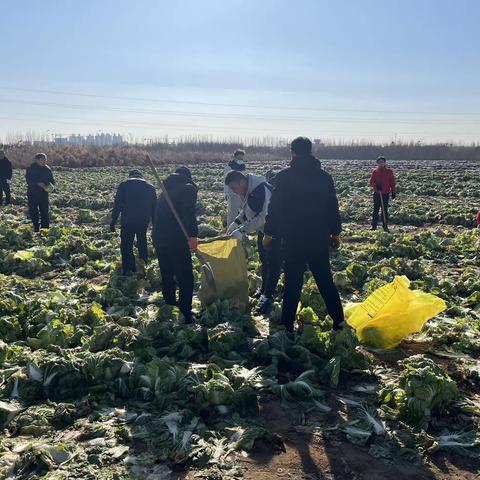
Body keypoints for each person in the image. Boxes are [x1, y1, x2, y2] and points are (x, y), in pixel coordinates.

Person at [263, 136, 344, 333]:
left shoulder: (284, 177)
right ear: (311, 152)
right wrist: (335, 232)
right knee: (325, 280)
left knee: (293, 282)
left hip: (293, 237)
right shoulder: (324, 177)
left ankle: (287, 324)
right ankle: (339, 322)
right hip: (318, 236)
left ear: (292, 152)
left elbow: (275, 208)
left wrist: (269, 232)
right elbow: (332, 206)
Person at [225, 170, 282, 315]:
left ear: (242, 182)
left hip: (276, 231)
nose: (234, 192)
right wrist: (235, 224)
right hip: (263, 231)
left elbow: (263, 217)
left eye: (234, 188)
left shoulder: (261, 189)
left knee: (273, 264)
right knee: (264, 261)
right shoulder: (248, 190)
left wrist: (242, 231)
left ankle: (267, 298)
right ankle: (263, 290)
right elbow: (247, 211)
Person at [152, 166, 198, 323]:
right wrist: (193, 235)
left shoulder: (164, 191)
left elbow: (156, 215)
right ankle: (185, 312)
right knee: (185, 277)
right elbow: (188, 212)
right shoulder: (188, 188)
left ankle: (170, 306)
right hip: (176, 240)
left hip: (159, 238)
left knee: (167, 275)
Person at [110, 169, 157, 276]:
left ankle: (128, 269)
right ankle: (143, 266)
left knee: (126, 244)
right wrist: (155, 225)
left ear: (130, 176)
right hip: (143, 220)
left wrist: (113, 220)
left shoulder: (124, 185)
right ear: (141, 176)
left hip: (128, 220)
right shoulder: (150, 187)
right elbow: (155, 208)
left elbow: (118, 204)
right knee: (142, 241)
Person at [25, 153, 55, 232]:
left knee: (44, 211)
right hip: (32, 193)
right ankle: (36, 227)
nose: (44, 161)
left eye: (45, 159)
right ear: (37, 160)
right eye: (42, 159)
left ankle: (45, 229)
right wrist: (37, 183)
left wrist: (50, 186)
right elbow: (28, 181)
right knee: (33, 211)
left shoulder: (47, 169)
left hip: (43, 194)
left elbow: (52, 180)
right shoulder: (31, 168)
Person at [370, 156, 396, 231]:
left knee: (384, 209)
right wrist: (376, 186)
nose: (381, 163)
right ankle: (374, 225)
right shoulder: (375, 171)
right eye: (379, 162)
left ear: (385, 163)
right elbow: (371, 182)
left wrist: (393, 192)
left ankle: (385, 225)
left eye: (382, 162)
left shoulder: (389, 171)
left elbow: (392, 182)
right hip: (377, 194)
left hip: (385, 193)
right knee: (376, 209)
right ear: (377, 163)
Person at [224, 149, 246, 226]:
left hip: (242, 193)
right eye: (239, 158)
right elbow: (226, 181)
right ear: (235, 157)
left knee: (244, 211)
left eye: (242, 158)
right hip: (232, 193)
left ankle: (242, 230)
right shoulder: (229, 167)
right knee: (232, 212)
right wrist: (226, 192)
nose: (240, 160)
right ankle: (230, 231)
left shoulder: (243, 166)